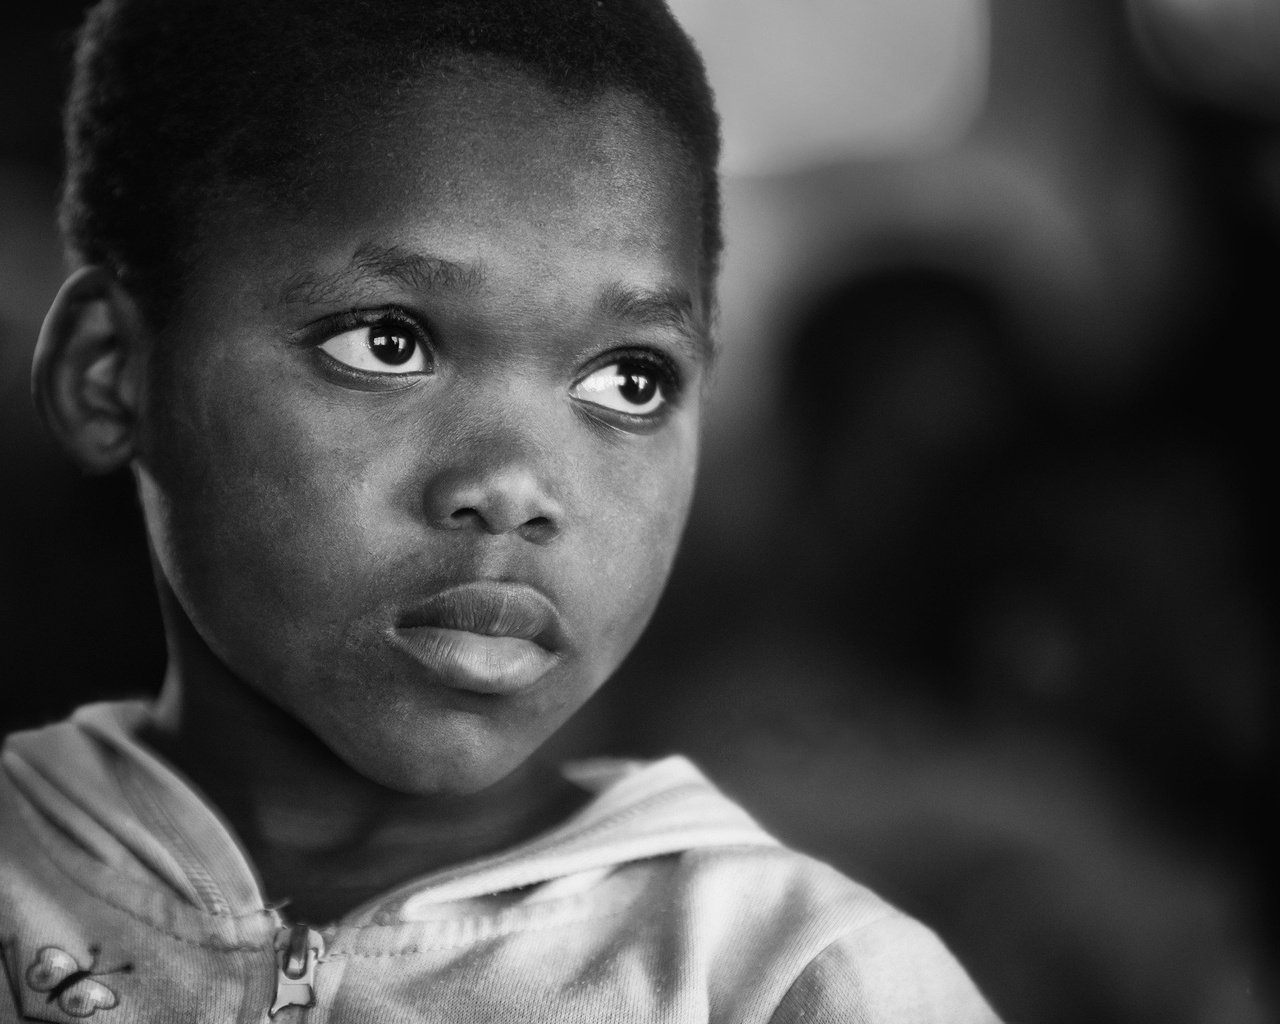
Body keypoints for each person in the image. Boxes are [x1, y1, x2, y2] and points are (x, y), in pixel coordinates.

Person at [0, 1, 1000, 1020]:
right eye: (385, 343)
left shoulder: (783, 975)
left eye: (628, 380)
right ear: (110, 374)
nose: (517, 486)